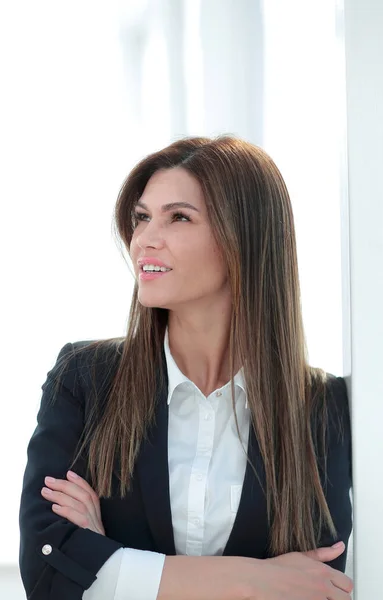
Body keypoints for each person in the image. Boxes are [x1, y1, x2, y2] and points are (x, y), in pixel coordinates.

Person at [18, 136, 353, 600]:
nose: (145, 240)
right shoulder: (85, 379)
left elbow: (320, 587)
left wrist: (110, 561)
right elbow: (49, 574)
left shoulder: (324, 407)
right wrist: (253, 580)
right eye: (141, 218)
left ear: (245, 237)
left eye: (178, 217)